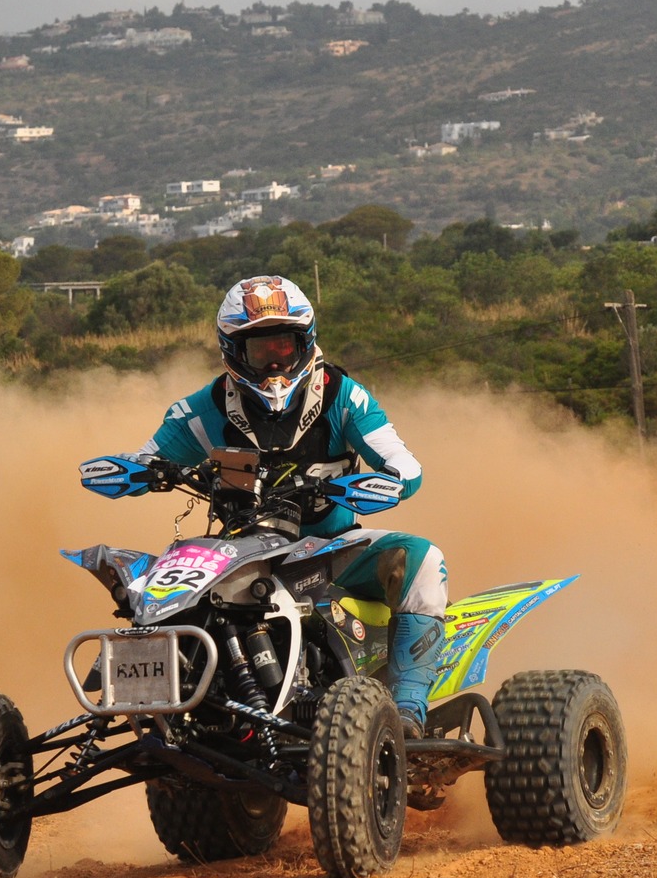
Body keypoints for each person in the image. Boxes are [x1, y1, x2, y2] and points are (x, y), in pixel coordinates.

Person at [116, 274, 448, 731]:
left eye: (283, 347)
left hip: (334, 548)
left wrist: (383, 482)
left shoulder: (343, 396)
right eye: (260, 350)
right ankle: (173, 709)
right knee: (150, 597)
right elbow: (146, 458)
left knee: (422, 559)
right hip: (239, 557)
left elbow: (405, 467)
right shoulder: (201, 410)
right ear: (235, 351)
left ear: (304, 341)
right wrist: (139, 472)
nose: (274, 363)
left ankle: (408, 713)